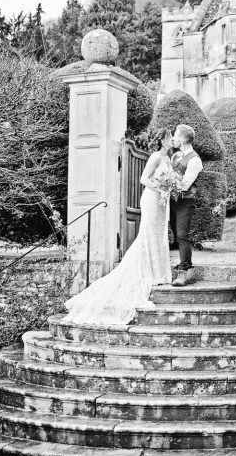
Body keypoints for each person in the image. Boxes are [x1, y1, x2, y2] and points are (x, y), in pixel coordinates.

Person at [63, 129, 173, 324]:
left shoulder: (168, 159)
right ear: (163, 140)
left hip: (162, 202)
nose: (172, 140)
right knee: (148, 235)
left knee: (158, 236)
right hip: (151, 199)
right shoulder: (156, 156)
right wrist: (161, 188)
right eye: (170, 137)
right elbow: (144, 180)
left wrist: (169, 189)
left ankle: (160, 273)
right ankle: (150, 272)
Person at [169, 124, 203, 287]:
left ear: (183, 139)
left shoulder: (195, 159)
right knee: (176, 236)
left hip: (185, 202)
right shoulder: (175, 156)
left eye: (175, 134)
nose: (174, 137)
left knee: (182, 235)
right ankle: (184, 263)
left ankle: (184, 271)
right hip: (172, 201)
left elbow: (185, 184)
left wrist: (166, 186)